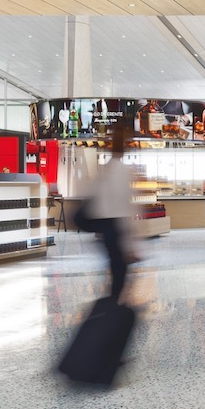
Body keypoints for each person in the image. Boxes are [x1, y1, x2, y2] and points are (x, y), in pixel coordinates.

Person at [82, 120, 141, 302]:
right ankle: (113, 313)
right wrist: (130, 244)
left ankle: (113, 306)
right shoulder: (122, 170)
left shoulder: (106, 168)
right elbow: (124, 208)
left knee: (116, 271)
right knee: (119, 275)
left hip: (106, 227)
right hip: (115, 227)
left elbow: (95, 197)